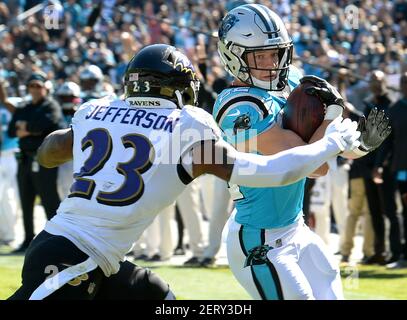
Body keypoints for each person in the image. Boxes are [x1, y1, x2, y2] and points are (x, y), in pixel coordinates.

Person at [9, 44, 362, 300]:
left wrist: (78, 139)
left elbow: (48, 151)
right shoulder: (187, 125)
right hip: (73, 257)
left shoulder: (95, 110)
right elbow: (269, 172)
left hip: (93, 254)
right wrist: (330, 142)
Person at [213, 4, 390, 300]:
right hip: (260, 238)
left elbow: (327, 149)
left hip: (294, 228)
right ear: (234, 55)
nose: (272, 63)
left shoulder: (290, 83)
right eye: (261, 56)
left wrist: (360, 147)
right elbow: (312, 163)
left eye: (275, 52)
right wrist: (333, 113)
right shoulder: (238, 107)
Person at [6, 72, 65, 253]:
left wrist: (27, 128)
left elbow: (45, 125)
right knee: (26, 200)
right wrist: (31, 129)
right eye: (32, 86)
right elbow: (11, 130)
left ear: (45, 87)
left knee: (49, 200)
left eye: (38, 86)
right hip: (24, 159)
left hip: (44, 160)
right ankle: (27, 239)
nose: (35, 90)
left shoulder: (51, 105)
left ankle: (55, 240)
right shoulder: (24, 107)